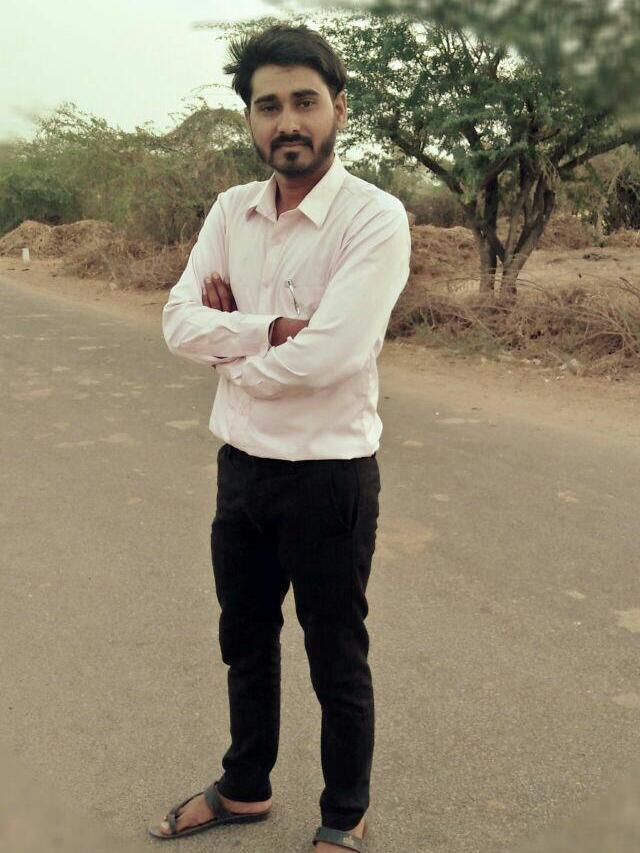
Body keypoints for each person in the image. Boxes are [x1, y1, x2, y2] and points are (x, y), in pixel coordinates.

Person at [148, 22, 411, 853]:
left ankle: (344, 815)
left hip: (329, 475)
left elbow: (331, 356)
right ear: (250, 119)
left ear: (339, 108)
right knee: (245, 640)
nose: (287, 121)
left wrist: (230, 352)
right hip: (242, 469)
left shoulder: (373, 219)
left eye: (305, 101)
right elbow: (177, 322)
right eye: (269, 106)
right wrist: (267, 330)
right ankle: (246, 785)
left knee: (336, 655)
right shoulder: (232, 211)